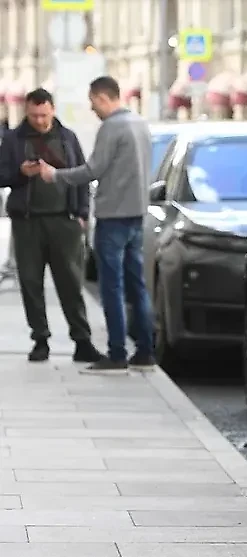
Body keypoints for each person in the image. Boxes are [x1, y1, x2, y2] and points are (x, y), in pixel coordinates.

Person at [38, 76, 155, 374]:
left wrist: (55, 176)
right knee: (137, 286)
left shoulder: (112, 127)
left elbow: (93, 170)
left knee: (112, 287)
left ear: (103, 98)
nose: (93, 110)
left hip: (113, 216)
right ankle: (145, 353)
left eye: (93, 104)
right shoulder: (140, 124)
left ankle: (117, 353)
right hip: (136, 213)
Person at [0, 88, 103, 363]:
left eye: (44, 115)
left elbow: (82, 175)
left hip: (64, 221)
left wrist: (81, 213)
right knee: (31, 282)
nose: (40, 120)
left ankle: (82, 340)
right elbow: (2, 175)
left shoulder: (67, 138)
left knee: (70, 282)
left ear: (53, 110)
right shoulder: (12, 139)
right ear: (26, 112)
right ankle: (40, 339)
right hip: (28, 223)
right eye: (34, 115)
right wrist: (20, 174)